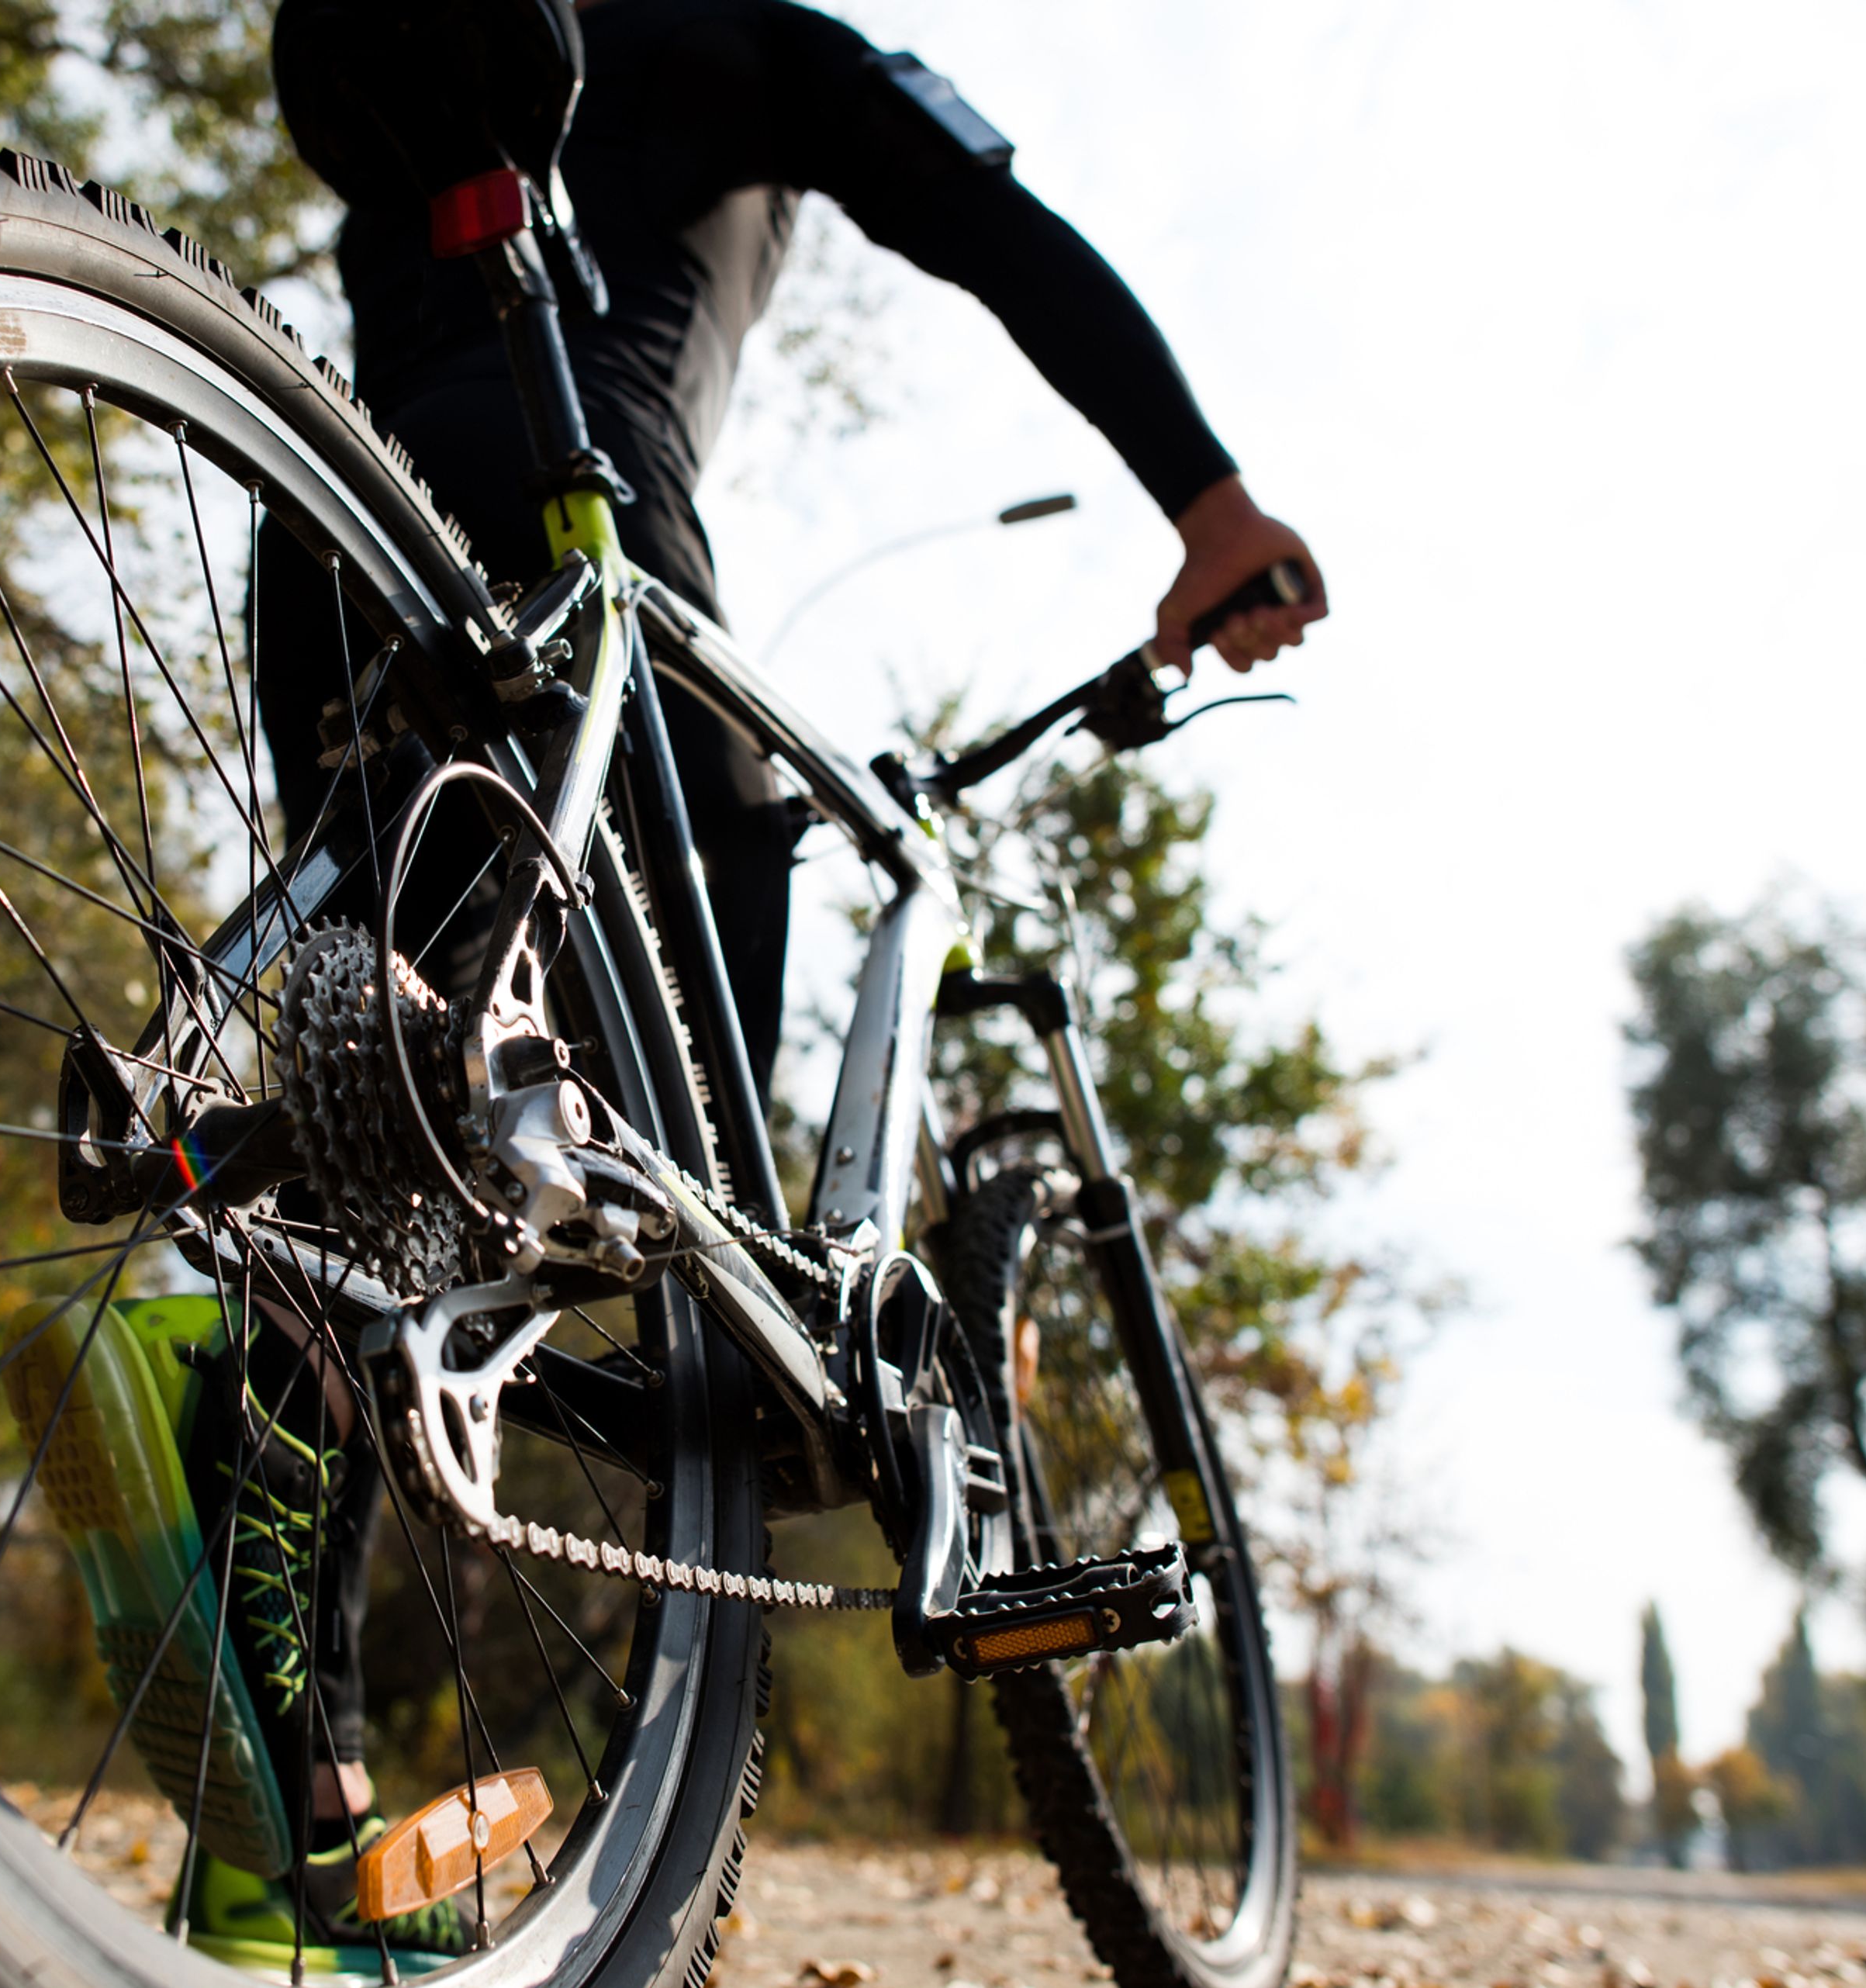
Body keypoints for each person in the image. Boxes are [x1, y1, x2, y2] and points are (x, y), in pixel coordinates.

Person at [159, 0, 1328, 1959]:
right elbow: (998, 233)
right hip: (577, 519)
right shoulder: (745, 36)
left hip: (336, 543)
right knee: (702, 1247)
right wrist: (1207, 499)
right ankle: (672, 1607)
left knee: (389, 1171)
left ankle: (311, 1790)